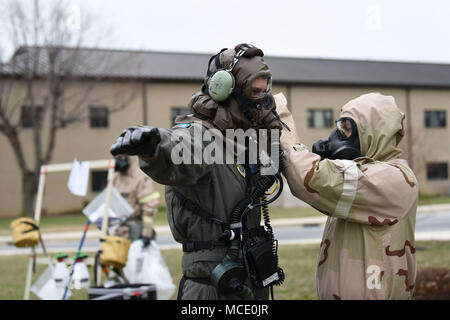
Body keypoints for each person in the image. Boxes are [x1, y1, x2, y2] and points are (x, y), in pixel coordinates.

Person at [110, 43, 285, 300]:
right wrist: (154, 144)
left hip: (249, 279)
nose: (261, 100)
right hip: (211, 287)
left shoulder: (246, 138)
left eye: (263, 91)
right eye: (253, 91)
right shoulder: (200, 134)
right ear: (225, 89)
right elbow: (181, 151)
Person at [276, 92, 418, 299]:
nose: (337, 135)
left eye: (347, 128)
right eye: (339, 126)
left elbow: (312, 178)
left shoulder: (395, 178)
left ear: (373, 132)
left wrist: (281, 117)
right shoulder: (362, 170)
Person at [113, 154, 161, 246]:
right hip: (118, 232)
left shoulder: (140, 178)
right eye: (117, 156)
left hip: (136, 232)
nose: (119, 159)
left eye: (122, 156)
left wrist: (146, 234)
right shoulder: (115, 177)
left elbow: (149, 208)